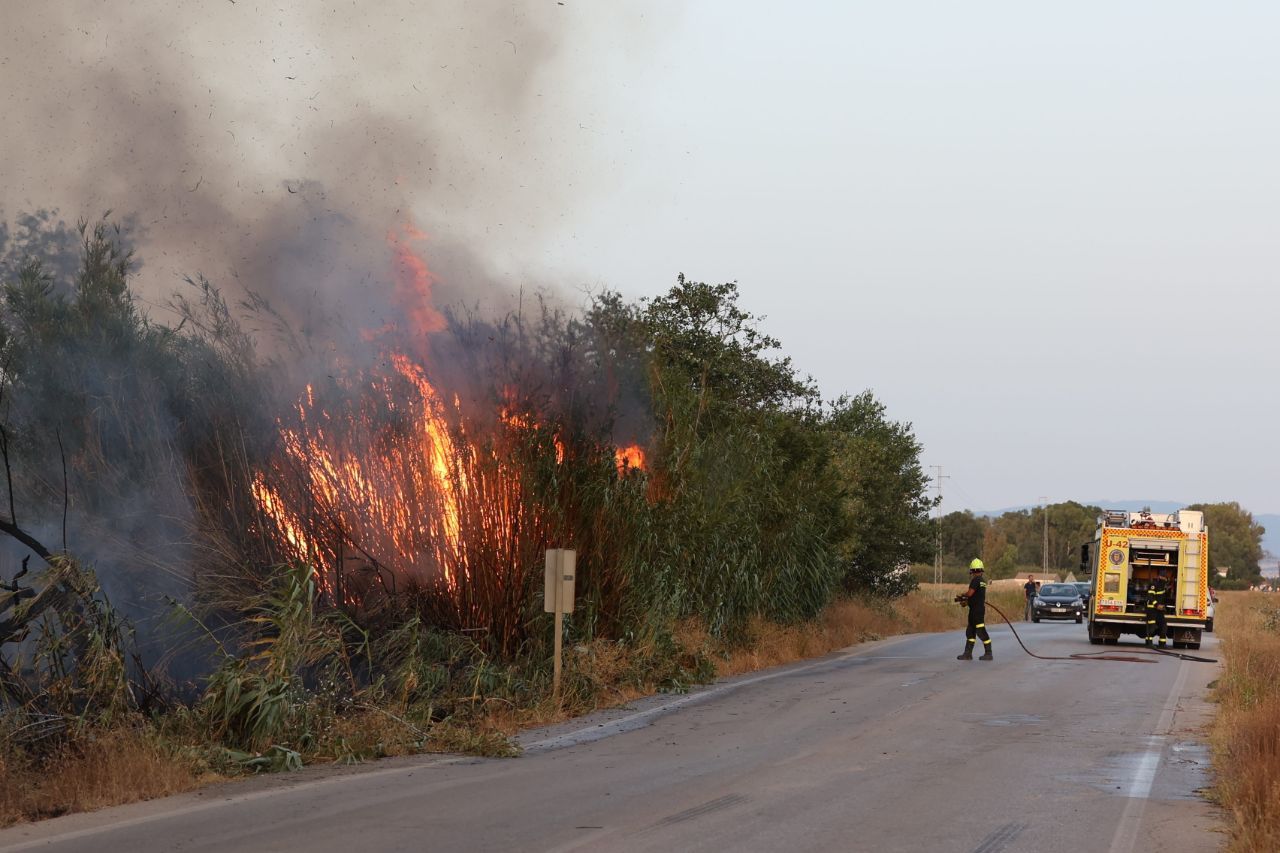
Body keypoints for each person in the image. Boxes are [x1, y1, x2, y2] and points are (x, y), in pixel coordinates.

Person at [956, 558, 993, 660]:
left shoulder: (975, 580)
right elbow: (976, 597)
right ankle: (968, 654)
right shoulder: (982, 581)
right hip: (976, 610)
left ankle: (988, 653)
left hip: (976, 612)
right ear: (981, 570)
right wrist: (966, 602)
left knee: (981, 631)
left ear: (972, 571)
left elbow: (970, 593)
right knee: (970, 632)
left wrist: (963, 596)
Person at [1144, 575, 1169, 647]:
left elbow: (1163, 597)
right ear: (1159, 577)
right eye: (1163, 577)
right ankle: (1149, 643)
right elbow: (1150, 596)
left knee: (1163, 625)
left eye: (1165, 577)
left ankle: (1162, 643)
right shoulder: (1153, 585)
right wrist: (1157, 605)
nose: (1165, 578)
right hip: (1151, 609)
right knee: (1152, 626)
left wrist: (1164, 606)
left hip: (1160, 610)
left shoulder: (1163, 586)